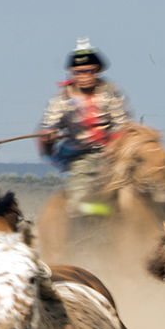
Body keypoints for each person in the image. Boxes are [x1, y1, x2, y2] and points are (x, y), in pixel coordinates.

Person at [38, 39, 130, 216]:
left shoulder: (110, 91)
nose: (84, 76)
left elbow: (122, 123)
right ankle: (104, 213)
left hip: (116, 156)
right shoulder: (61, 99)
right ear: (72, 73)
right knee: (77, 206)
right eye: (79, 72)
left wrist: (115, 146)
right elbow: (49, 125)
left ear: (97, 71)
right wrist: (48, 135)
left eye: (89, 71)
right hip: (81, 158)